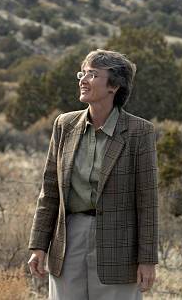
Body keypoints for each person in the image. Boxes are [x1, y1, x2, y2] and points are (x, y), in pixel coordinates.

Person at [27, 49, 159, 300]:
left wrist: (148, 259)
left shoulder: (139, 132)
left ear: (114, 86)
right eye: (83, 73)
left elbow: (147, 201)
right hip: (68, 241)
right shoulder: (64, 125)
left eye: (93, 74)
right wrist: (38, 245)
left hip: (119, 246)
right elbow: (50, 190)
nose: (83, 80)